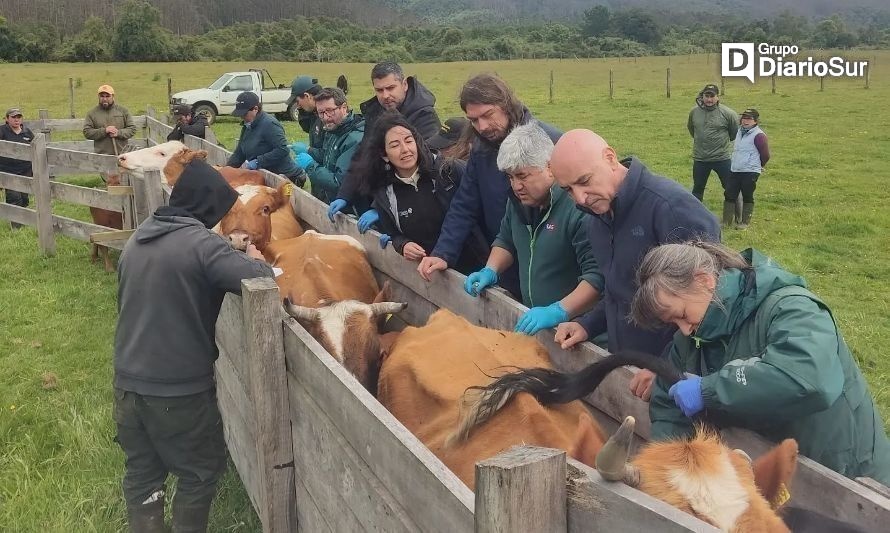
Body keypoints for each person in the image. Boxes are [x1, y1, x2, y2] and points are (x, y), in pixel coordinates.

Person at [637, 241, 890, 485]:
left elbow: (808, 378)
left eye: (681, 314)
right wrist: (665, 469)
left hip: (844, 475)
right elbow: (668, 404)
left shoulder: (792, 307)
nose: (684, 330)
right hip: (771, 472)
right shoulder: (692, 339)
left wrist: (710, 389)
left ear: (704, 280)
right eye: (673, 323)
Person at [113, 158, 273, 532]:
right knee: (200, 470)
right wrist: (255, 258)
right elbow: (260, 277)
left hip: (127, 384)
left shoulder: (138, 239)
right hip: (178, 389)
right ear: (207, 206)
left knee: (142, 470)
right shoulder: (203, 245)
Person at [548, 129, 720, 401]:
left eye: (584, 181)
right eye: (568, 189)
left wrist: (666, 367)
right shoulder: (597, 219)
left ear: (610, 158)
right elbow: (619, 291)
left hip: (677, 385)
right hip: (629, 372)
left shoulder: (673, 210)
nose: (580, 198)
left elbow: (708, 307)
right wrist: (588, 324)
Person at [417, 73, 561, 300]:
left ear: (506, 105)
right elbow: (465, 203)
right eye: (473, 120)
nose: (482, 127)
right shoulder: (482, 150)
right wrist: (443, 252)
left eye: (487, 115)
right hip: (502, 260)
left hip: (552, 267)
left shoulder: (549, 143)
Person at [464, 122, 604, 336]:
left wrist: (559, 311)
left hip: (578, 333)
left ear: (550, 167)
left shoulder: (578, 209)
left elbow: (596, 278)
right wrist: (490, 269)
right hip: (540, 327)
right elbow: (506, 240)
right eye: (510, 177)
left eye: (522, 176)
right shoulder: (518, 202)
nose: (516, 186)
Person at [348, 111, 488, 273]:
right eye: (394, 145)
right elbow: (393, 233)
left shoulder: (449, 171)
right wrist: (403, 245)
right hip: (428, 276)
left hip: (474, 269)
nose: (405, 149)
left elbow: (478, 215)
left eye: (409, 141)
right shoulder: (384, 193)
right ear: (384, 154)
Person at [328, 62, 442, 216]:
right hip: (378, 198)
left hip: (413, 207)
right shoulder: (375, 112)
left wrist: (382, 209)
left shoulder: (424, 116)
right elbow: (363, 156)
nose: (385, 95)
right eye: (379, 90)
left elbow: (421, 168)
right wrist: (345, 195)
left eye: (390, 88)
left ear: (404, 85)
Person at [293, 87, 364, 204]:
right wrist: (308, 150)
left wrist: (310, 166)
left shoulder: (355, 139)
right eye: (321, 113)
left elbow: (339, 183)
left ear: (344, 108)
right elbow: (327, 157)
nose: (325, 117)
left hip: (351, 210)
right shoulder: (333, 130)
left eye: (330, 110)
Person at [227, 91, 304, 185]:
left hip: (286, 178)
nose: (242, 117)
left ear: (255, 109)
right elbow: (239, 153)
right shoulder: (247, 127)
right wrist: (226, 170)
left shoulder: (270, 124)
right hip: (267, 177)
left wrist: (257, 162)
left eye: (244, 114)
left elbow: (282, 149)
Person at [687, 83, 740, 214]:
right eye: (706, 96)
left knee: (730, 188)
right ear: (702, 96)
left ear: (718, 97)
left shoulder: (728, 113)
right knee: (697, 189)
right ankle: (695, 217)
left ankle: (736, 218)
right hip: (700, 159)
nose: (709, 100)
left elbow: (734, 134)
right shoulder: (694, 112)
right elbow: (692, 130)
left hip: (722, 158)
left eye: (712, 96)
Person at [727, 107, 770, 229]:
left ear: (756, 121)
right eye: (744, 118)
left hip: (750, 171)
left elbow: (766, 155)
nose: (745, 121)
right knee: (729, 194)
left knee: (747, 195)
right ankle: (727, 221)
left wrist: (758, 166)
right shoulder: (739, 131)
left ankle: (744, 223)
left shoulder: (759, 136)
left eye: (749, 119)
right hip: (735, 169)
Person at [0, 107, 34, 226]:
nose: (16, 120)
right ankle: (16, 227)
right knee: (14, 198)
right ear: (7, 119)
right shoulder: (2, 131)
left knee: (24, 198)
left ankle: (24, 224)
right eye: (13, 117)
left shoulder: (27, 133)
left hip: (25, 171)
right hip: (8, 172)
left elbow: (35, 151)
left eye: (18, 117)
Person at [83, 84, 136, 157]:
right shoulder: (92, 113)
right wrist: (104, 131)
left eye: (107, 96)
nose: (104, 99)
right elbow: (87, 132)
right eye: (102, 96)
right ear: (98, 97)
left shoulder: (123, 111)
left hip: (123, 155)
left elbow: (132, 129)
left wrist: (118, 133)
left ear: (113, 96)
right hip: (101, 157)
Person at [285, 75, 325, 156]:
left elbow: (328, 154)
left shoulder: (326, 118)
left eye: (297, 101)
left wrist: (308, 150)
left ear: (307, 96)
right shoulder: (314, 114)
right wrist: (302, 110)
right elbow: (306, 127)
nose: (298, 106)